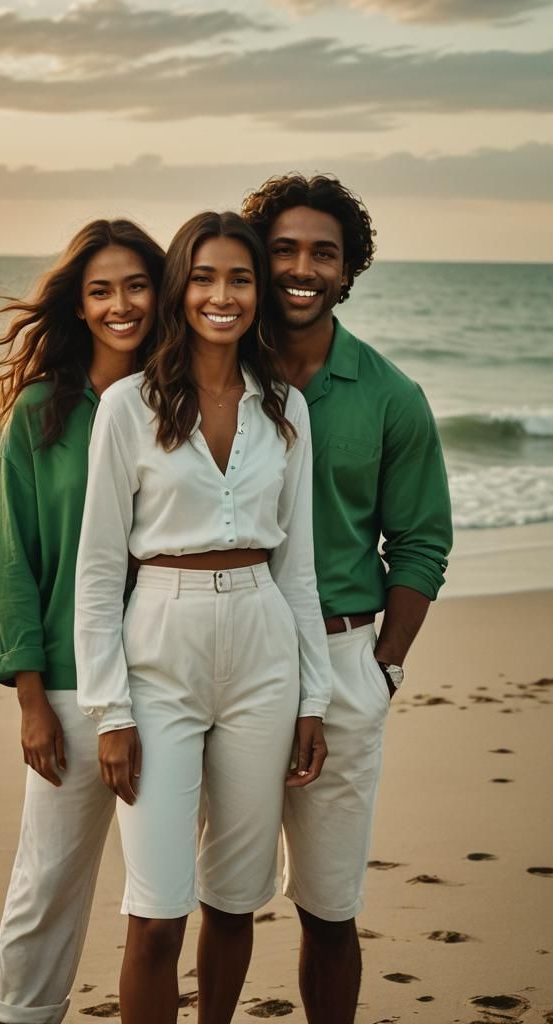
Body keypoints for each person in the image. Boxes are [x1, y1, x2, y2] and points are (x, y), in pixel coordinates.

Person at [73, 211, 332, 1024]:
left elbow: (299, 568)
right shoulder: (125, 407)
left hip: (263, 648)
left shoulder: (285, 406)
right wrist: (111, 711)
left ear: (258, 292)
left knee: (234, 897)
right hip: (161, 650)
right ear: (182, 285)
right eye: (207, 277)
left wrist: (313, 697)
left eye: (241, 279)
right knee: (156, 912)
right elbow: (99, 569)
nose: (223, 296)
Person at [241, 175, 453, 1023]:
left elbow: (421, 543)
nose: (301, 268)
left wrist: (385, 668)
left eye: (322, 253)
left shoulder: (390, 395)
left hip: (342, 659)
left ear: (348, 268)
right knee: (219, 894)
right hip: (227, 650)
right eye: (284, 249)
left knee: (329, 907)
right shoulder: (216, 368)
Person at [0, 219, 165, 1024]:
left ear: (162, 292)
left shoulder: (186, 401)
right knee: (48, 878)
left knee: (161, 889)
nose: (120, 304)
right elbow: (13, 559)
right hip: (69, 685)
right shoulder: (42, 414)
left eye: (135, 285)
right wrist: (29, 696)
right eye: (100, 290)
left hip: (171, 674)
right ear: (79, 306)